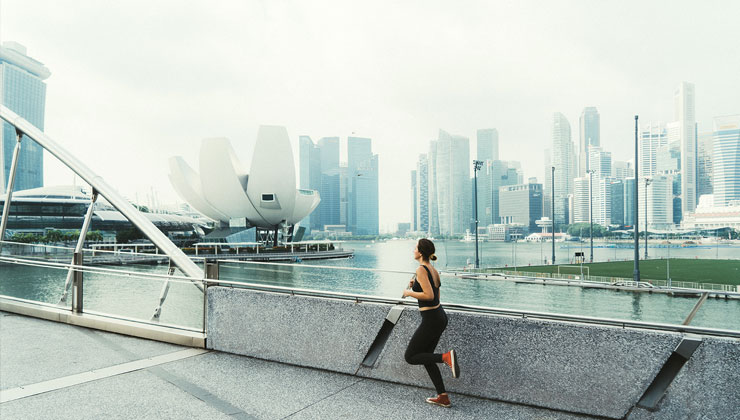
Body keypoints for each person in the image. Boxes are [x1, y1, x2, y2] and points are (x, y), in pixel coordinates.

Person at [402, 238, 460, 408]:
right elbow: (436, 296)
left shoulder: (421, 269)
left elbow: (429, 296)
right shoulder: (432, 270)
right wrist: (416, 286)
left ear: (420, 252)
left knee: (411, 357)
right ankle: (443, 396)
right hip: (439, 317)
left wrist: (408, 293)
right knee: (426, 357)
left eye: (415, 248)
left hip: (431, 320)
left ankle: (446, 357)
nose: (413, 250)